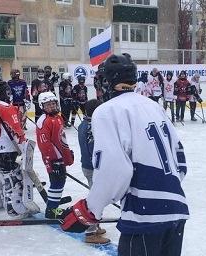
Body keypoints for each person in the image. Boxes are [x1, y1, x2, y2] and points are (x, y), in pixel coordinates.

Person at [59, 54, 189, 256]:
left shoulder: (107, 111)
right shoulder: (154, 106)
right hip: (176, 211)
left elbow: (113, 168)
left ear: (105, 81)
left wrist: (90, 209)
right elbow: (180, 157)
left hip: (144, 217)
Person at [0, 78, 39, 218]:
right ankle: (14, 208)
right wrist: (24, 146)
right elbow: (17, 130)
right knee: (12, 175)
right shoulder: (6, 107)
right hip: (4, 148)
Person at [35, 91, 75, 219]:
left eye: (53, 103)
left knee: (60, 181)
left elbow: (61, 140)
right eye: (48, 105)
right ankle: (52, 210)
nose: (52, 106)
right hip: (53, 159)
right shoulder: (44, 121)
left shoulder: (58, 117)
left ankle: (53, 204)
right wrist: (52, 161)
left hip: (60, 157)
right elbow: (44, 145)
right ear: (42, 106)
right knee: (56, 182)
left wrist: (67, 155)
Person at [76, 99, 111, 244]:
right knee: (96, 198)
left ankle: (95, 225)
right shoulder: (92, 127)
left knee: (96, 196)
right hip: (93, 167)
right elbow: (93, 151)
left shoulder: (84, 124)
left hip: (88, 165)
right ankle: (90, 232)